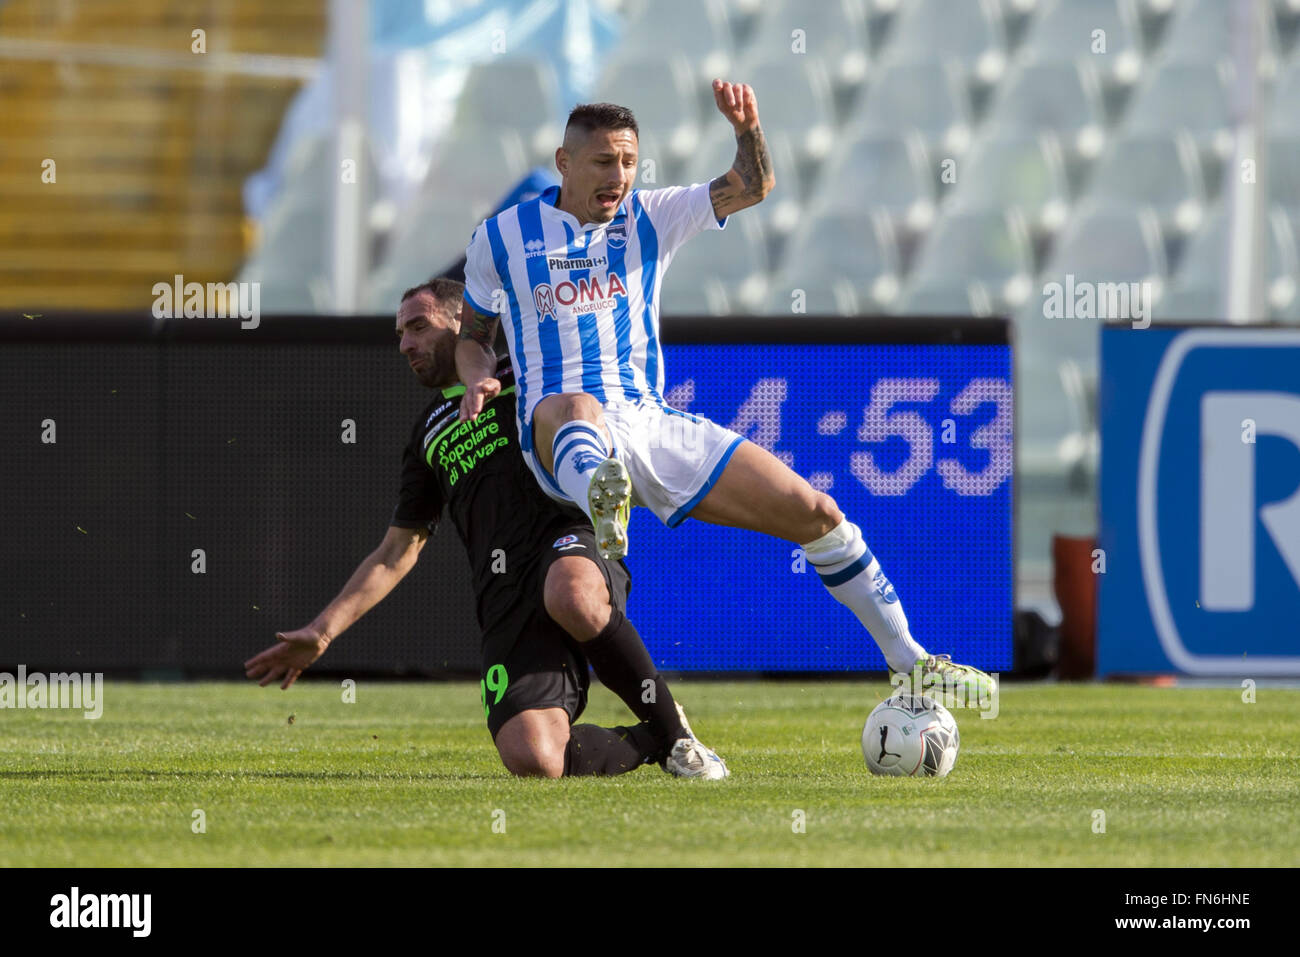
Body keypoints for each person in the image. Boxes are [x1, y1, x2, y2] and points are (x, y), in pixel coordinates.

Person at [453, 80, 995, 699]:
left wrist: (746, 130)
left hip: (650, 422)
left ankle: (913, 662)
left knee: (819, 514)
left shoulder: (650, 216)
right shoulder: (500, 238)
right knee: (578, 408)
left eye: (630, 161)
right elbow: (473, 335)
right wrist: (478, 377)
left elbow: (753, 185)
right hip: (556, 428)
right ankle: (602, 495)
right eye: (604, 161)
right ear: (565, 162)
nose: (620, 175)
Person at [243, 277, 728, 779]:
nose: (406, 344)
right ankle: (651, 736)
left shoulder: (528, 375)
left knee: (572, 595)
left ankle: (678, 740)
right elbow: (396, 552)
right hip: (503, 594)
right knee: (535, 758)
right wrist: (323, 632)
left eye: (418, 327)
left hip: (568, 542)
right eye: (399, 334)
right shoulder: (428, 433)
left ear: (463, 324)